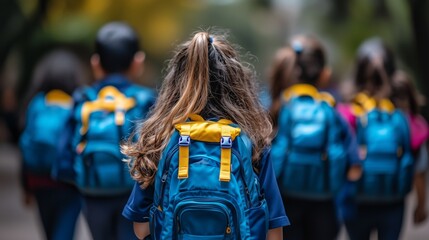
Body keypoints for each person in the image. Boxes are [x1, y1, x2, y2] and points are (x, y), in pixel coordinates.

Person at [122, 31, 289, 240]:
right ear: (236, 83)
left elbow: (141, 229)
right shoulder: (252, 141)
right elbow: (274, 233)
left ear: (175, 83)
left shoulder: (160, 138)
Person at [54, 22, 156, 240]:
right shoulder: (146, 99)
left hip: (93, 194)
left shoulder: (83, 98)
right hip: (133, 194)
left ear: (96, 63)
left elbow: (63, 158)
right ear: (138, 62)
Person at [269, 35, 360, 240]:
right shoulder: (329, 108)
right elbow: (354, 167)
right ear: (323, 75)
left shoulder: (279, 106)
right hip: (324, 203)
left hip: (286, 201)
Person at [337, 37, 423, 240]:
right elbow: (419, 165)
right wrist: (421, 203)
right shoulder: (403, 116)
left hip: (357, 200)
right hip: (393, 200)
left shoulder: (348, 113)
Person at [19, 49, 86, 240]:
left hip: (39, 181)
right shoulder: (78, 104)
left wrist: (25, 187)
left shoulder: (37, 104)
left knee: (49, 233)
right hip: (68, 184)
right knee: (64, 233)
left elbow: (25, 147)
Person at [391, 70, 428, 225]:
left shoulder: (375, 120)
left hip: (368, 193)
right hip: (395, 197)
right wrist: (420, 207)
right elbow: (419, 173)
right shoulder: (416, 125)